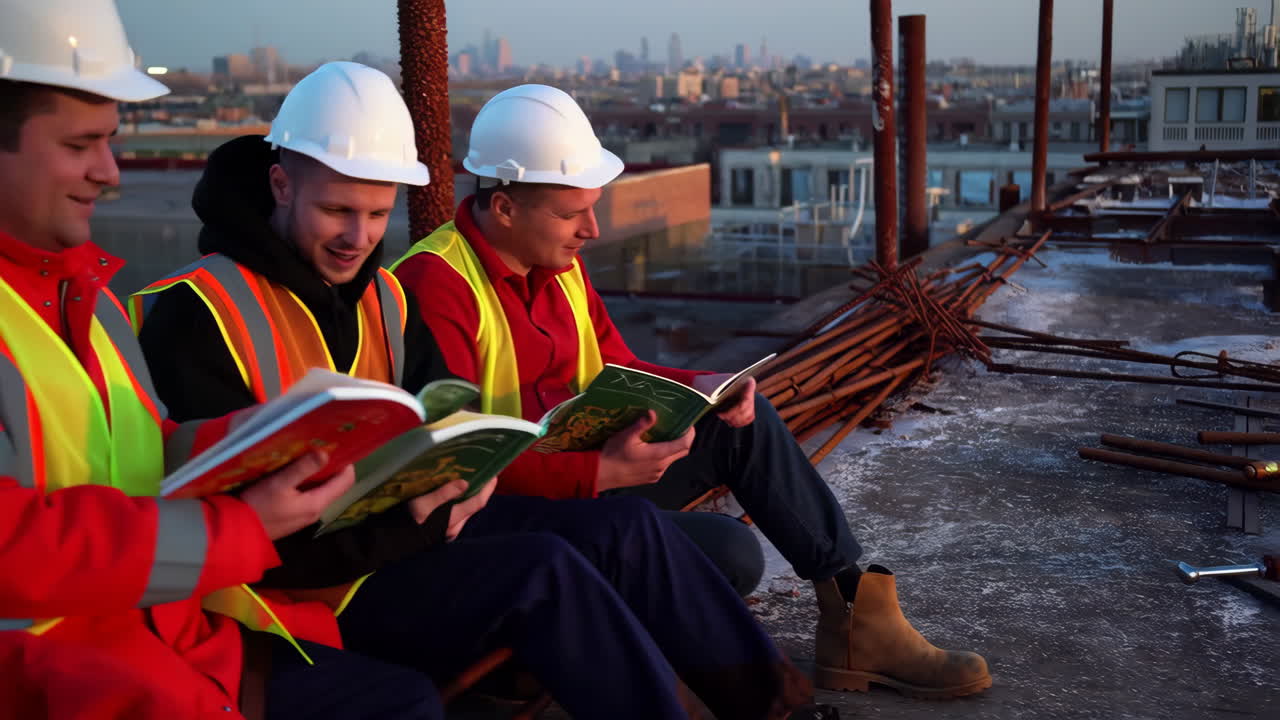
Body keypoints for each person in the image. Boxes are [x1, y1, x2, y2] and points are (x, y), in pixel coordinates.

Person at [134, 61, 835, 720]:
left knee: (627, 537)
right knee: (553, 570)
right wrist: (430, 512)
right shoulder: (196, 315)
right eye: (337, 211)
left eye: (377, 215)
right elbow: (227, 525)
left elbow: (446, 426)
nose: (358, 237)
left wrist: (455, 481)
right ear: (281, 186)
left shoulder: (382, 298)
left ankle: (779, 699)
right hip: (302, 592)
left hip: (413, 536)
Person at [393, 83, 993, 699]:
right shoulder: (435, 285)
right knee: (733, 556)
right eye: (572, 214)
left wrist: (706, 388)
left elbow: (617, 368)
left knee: (745, 423)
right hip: (509, 510)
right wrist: (598, 475)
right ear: (504, 208)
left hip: (586, 474)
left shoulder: (557, 263)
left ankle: (857, 618)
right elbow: (458, 458)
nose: (592, 230)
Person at [0, 3, 465, 719]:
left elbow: (142, 450)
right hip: (65, 667)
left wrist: (269, 436)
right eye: (80, 144)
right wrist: (241, 526)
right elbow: (18, 546)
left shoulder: (85, 301)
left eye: (111, 140)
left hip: (165, 630)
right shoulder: (166, 306)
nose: (110, 172)